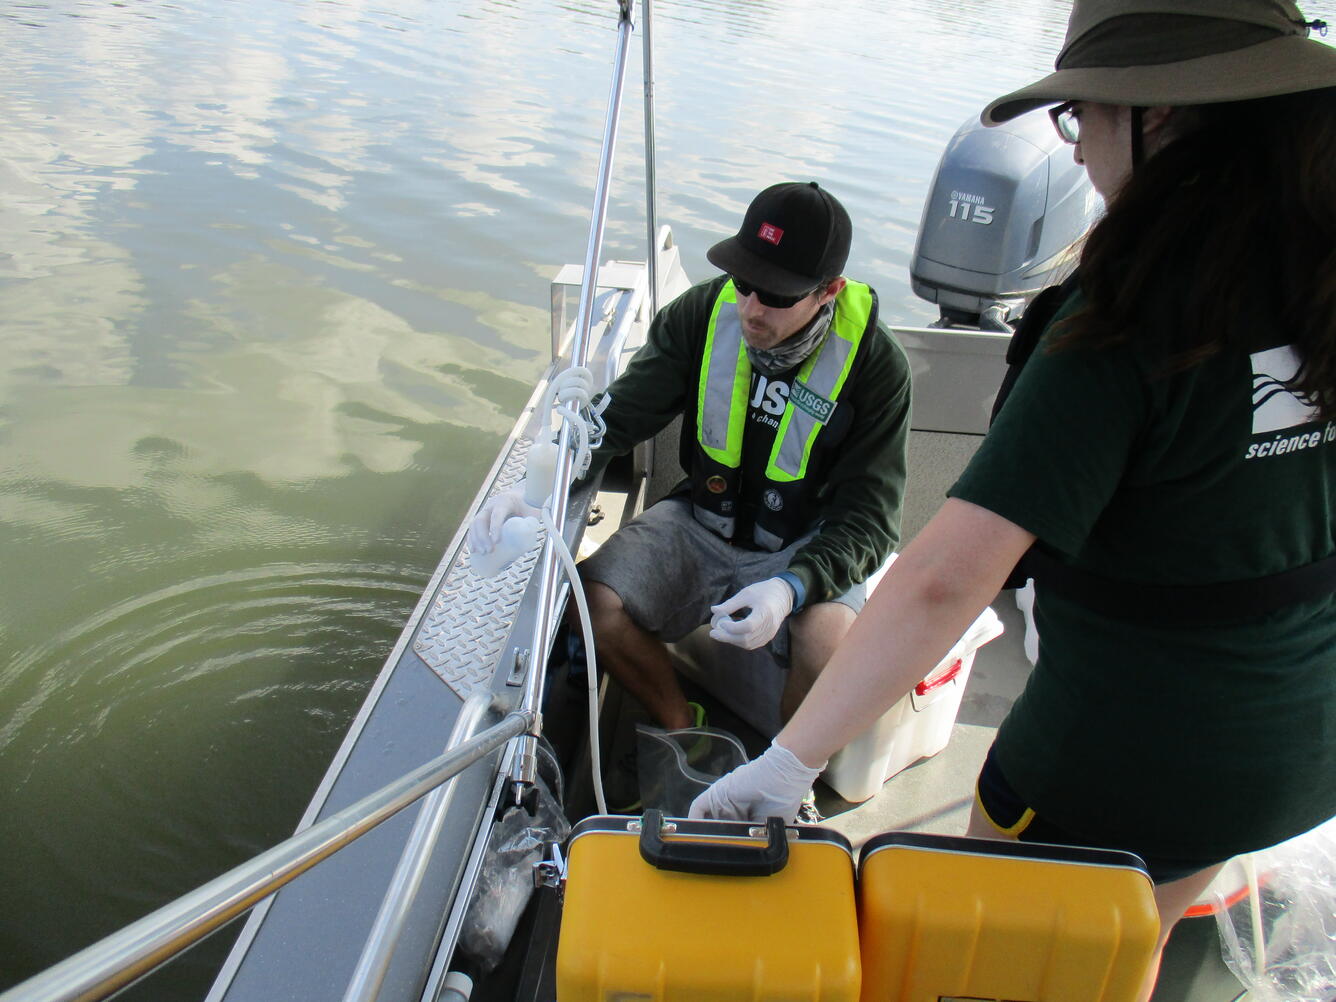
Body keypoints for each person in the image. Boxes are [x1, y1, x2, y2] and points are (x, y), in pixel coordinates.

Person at [691, 2, 1336, 997]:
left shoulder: (1127, 317)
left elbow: (947, 581)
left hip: (1120, 754)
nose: (1075, 153)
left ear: (1157, 113)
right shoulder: (1318, 273)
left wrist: (786, 764)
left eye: (1081, 115)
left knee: (989, 957)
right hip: (1294, 740)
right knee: (1127, 942)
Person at [472, 181, 911, 733]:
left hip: (806, 542)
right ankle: (681, 730)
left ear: (829, 291)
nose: (751, 309)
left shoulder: (877, 366)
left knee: (829, 645)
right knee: (591, 601)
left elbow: (870, 522)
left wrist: (790, 587)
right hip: (703, 520)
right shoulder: (704, 314)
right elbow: (621, 415)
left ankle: (783, 771)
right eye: (745, 282)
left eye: (776, 295)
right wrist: (540, 483)